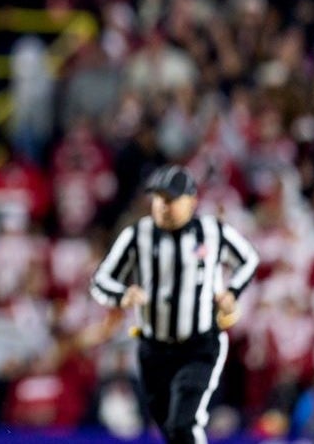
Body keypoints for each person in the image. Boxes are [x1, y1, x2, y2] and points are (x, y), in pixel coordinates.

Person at [91, 164, 260, 444]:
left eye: (170, 200)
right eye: (158, 199)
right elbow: (101, 280)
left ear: (191, 201)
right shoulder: (137, 235)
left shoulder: (212, 232)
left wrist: (232, 292)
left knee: (184, 423)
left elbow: (249, 259)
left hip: (198, 344)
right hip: (153, 348)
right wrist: (122, 295)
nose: (162, 206)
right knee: (169, 428)